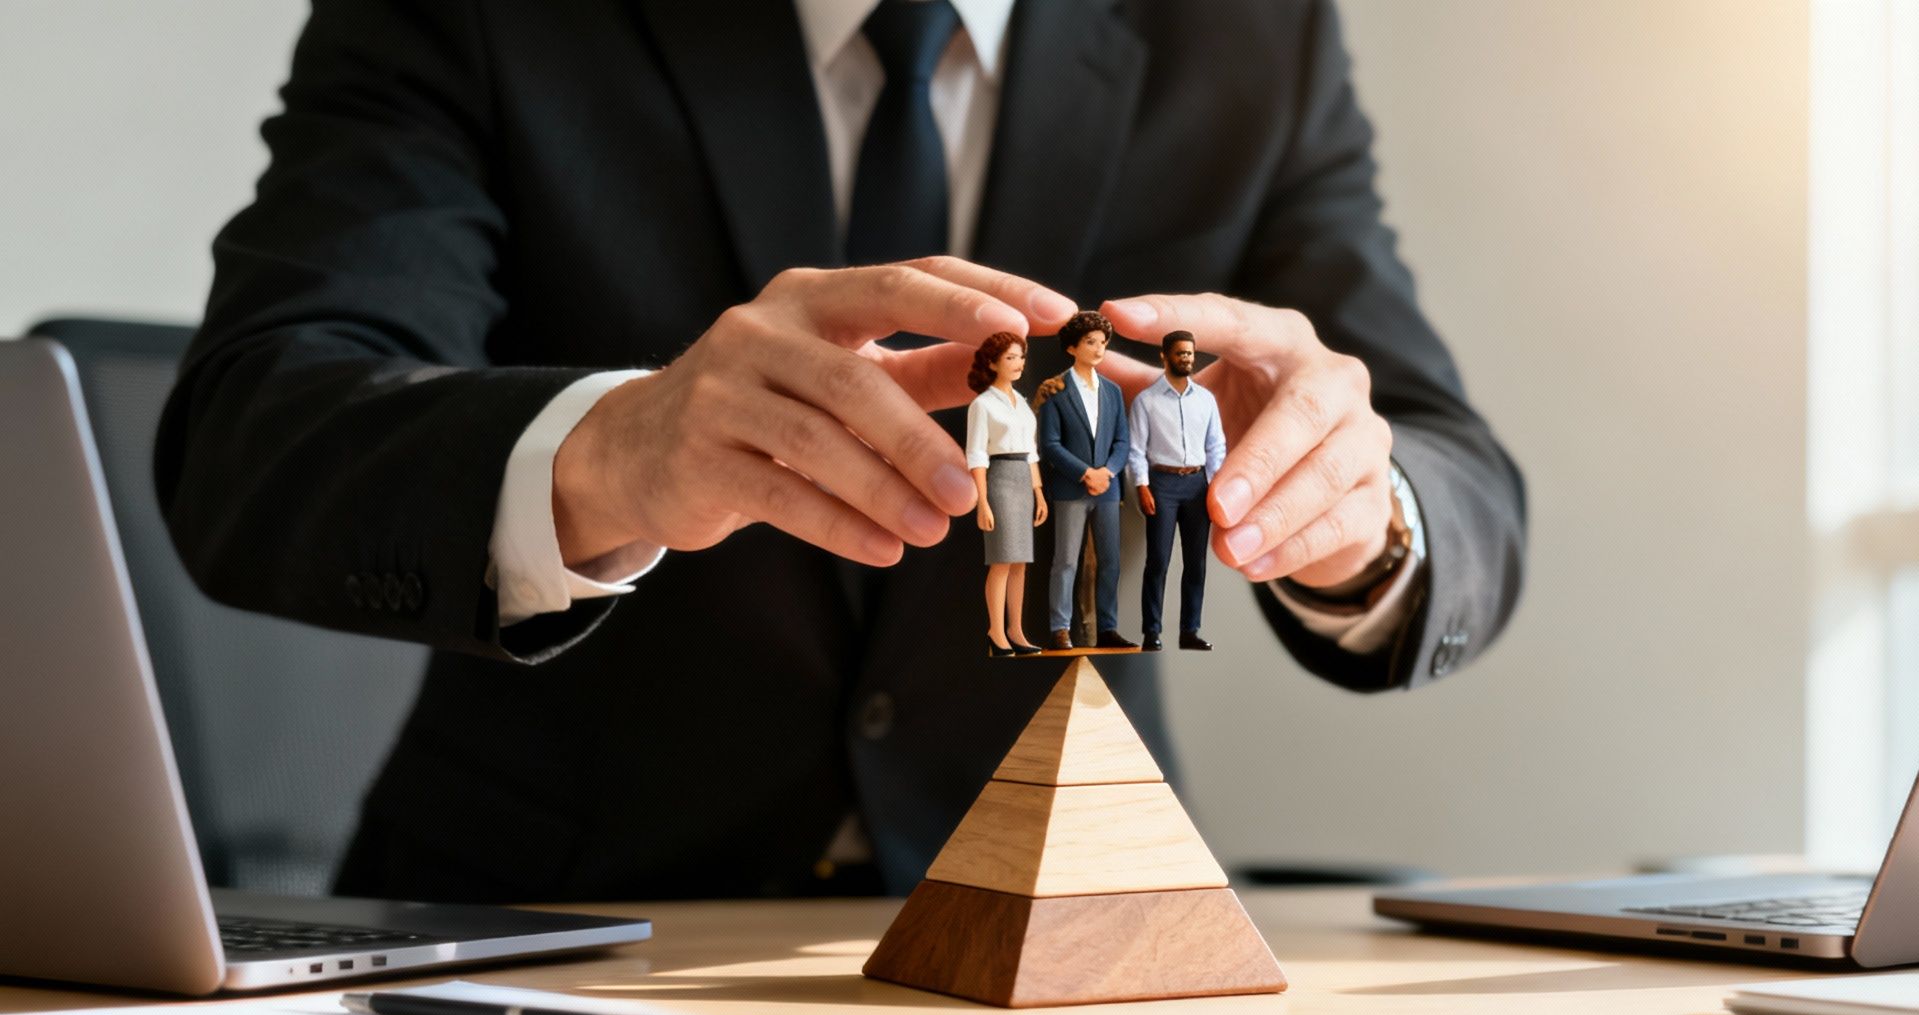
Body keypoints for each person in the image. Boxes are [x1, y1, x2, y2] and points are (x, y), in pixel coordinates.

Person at [157, 0, 1528, 903]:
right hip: (545, 936)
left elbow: (1452, 476)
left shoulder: (1245, 31)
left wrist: (1358, 515)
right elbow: (252, 434)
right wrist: (617, 450)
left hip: (1073, 945)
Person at [1035, 311, 1135, 651]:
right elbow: (1050, 445)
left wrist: (1107, 471)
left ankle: (1107, 627)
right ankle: (1060, 628)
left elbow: (1123, 441)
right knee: (1066, 561)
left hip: (1108, 489)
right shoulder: (1055, 391)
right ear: (1073, 347)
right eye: (1091, 342)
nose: (1098, 348)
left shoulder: (1113, 391)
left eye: (1103, 343)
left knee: (1110, 560)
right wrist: (1084, 473)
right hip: (1072, 489)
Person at [1129, 330, 1225, 652]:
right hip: (1163, 483)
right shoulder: (1147, 401)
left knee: (1196, 562)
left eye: (1190, 353)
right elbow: (1136, 449)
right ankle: (1151, 631)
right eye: (1180, 353)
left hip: (1197, 484)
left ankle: (1190, 630)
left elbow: (1215, 445)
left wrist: (1213, 483)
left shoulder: (1206, 400)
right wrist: (1142, 486)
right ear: (1164, 356)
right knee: (1158, 560)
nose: (1186, 358)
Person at [963, 332, 1047, 656]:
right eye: (1010, 357)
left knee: (1020, 562)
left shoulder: (1022, 403)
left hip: (1023, 478)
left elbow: (1032, 452)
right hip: (998, 479)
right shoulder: (982, 405)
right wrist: (982, 501)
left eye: (1021, 357)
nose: (1018, 364)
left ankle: (1016, 629)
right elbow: (977, 455)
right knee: (1000, 559)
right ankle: (995, 631)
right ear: (993, 362)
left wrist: (1038, 493)